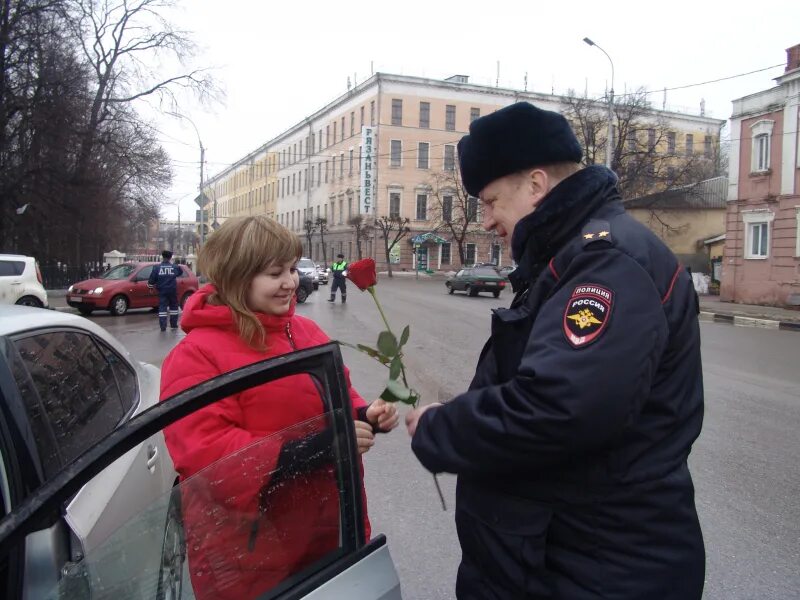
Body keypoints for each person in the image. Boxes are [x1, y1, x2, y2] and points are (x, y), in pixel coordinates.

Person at [406, 102, 705, 599]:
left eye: (491, 200)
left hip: (593, 568)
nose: (485, 221)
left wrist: (444, 428)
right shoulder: (571, 256)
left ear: (537, 185)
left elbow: (559, 407)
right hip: (565, 558)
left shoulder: (605, 263)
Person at [159, 216, 398, 600]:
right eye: (275, 273)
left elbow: (338, 396)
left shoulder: (305, 332)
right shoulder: (195, 355)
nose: (291, 281)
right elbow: (206, 458)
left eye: (290, 269)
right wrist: (320, 448)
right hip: (252, 555)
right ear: (237, 277)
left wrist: (364, 414)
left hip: (328, 535)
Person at [148, 249, 179, 331]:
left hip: (162, 291)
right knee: (174, 308)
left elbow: (152, 279)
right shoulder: (174, 267)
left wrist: (150, 287)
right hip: (172, 290)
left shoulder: (157, 267)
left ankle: (163, 326)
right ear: (170, 257)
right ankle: (173, 324)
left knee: (162, 308)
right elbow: (179, 272)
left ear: (162, 257)